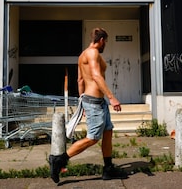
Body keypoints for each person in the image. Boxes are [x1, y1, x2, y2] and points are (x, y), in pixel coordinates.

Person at [49, 27, 127, 183]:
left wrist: (82, 101)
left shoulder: (82, 55)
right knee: (92, 138)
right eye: (106, 42)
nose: (106, 45)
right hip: (95, 102)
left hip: (95, 102)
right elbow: (96, 76)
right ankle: (59, 160)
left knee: (108, 132)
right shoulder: (93, 53)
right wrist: (112, 97)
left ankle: (108, 168)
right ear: (102, 40)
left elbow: (80, 81)